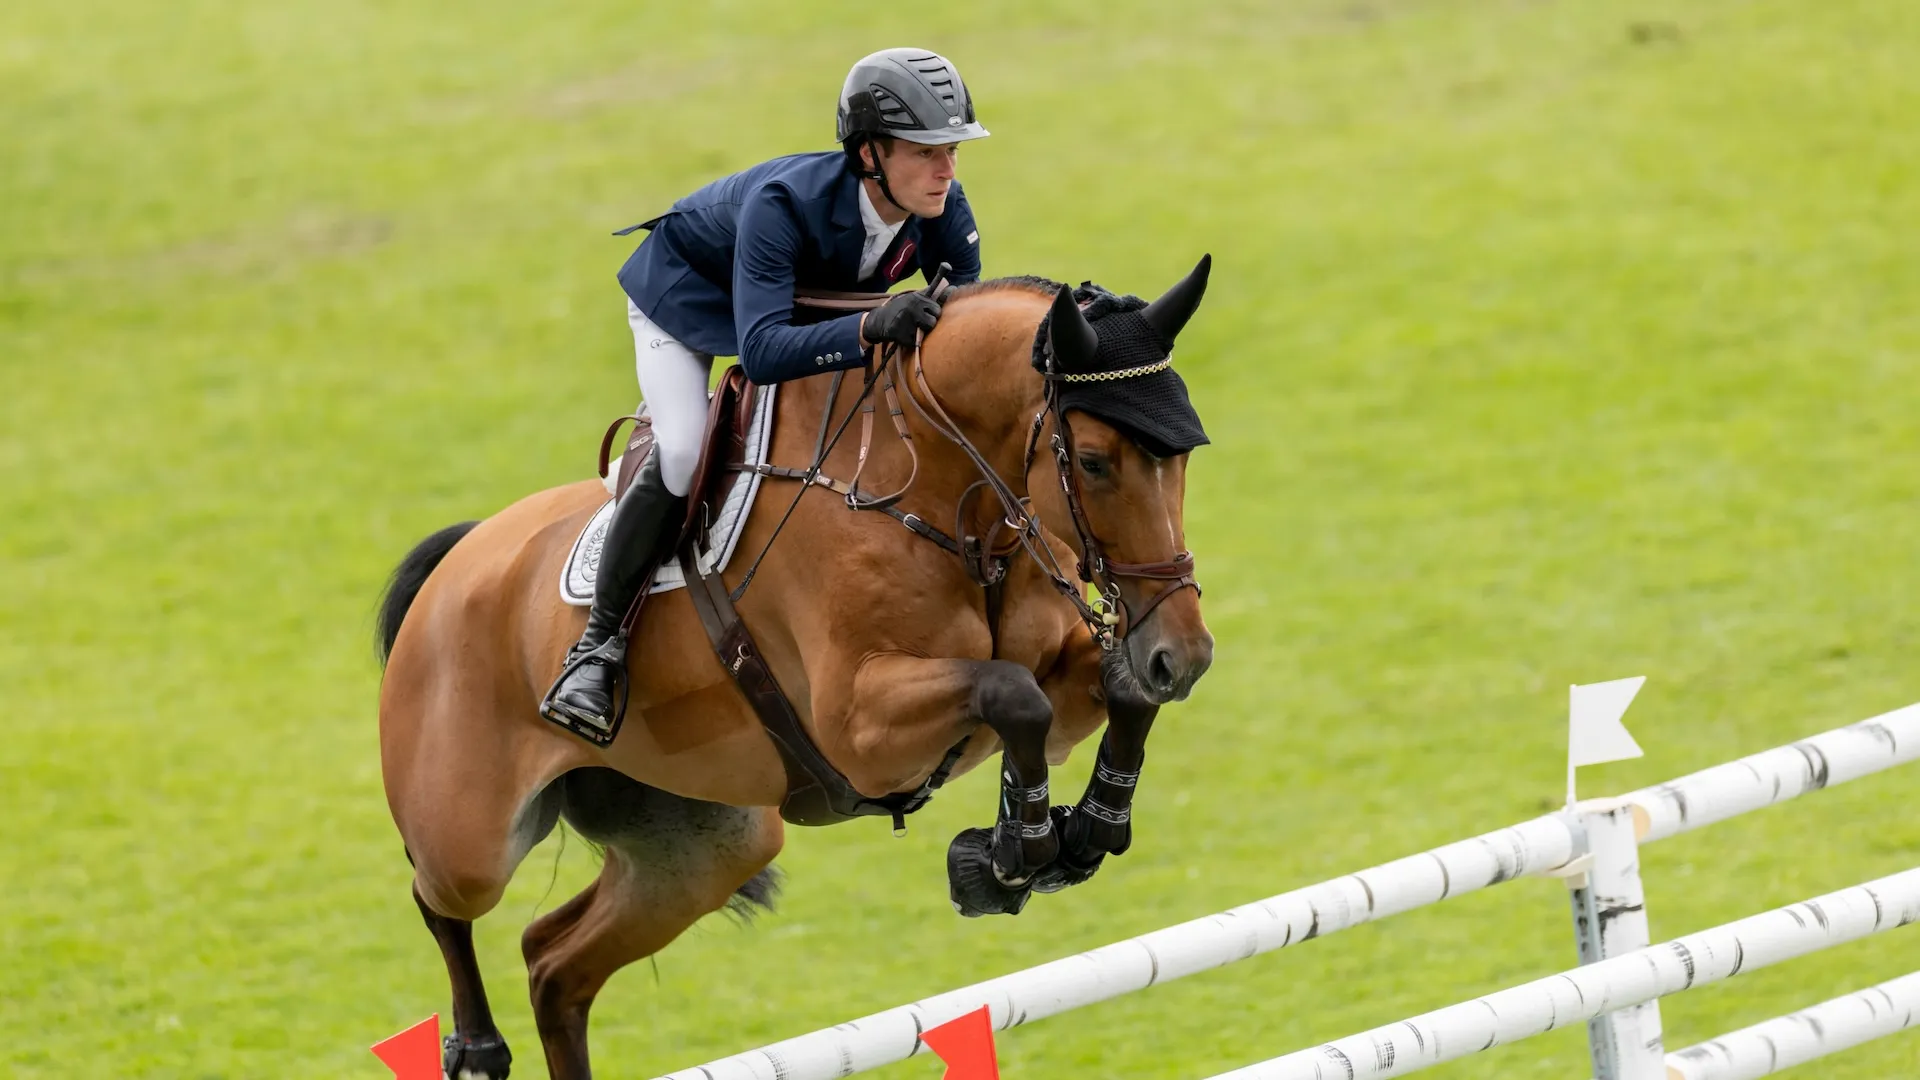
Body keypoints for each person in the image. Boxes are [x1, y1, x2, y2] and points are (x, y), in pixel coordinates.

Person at [540, 48, 990, 741]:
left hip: (805, 309)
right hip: (690, 302)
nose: (947, 170)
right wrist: (871, 323)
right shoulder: (785, 205)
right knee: (686, 450)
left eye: (953, 149)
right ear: (869, 153)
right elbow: (762, 352)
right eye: (926, 150)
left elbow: (960, 315)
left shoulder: (939, 205)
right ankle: (597, 650)